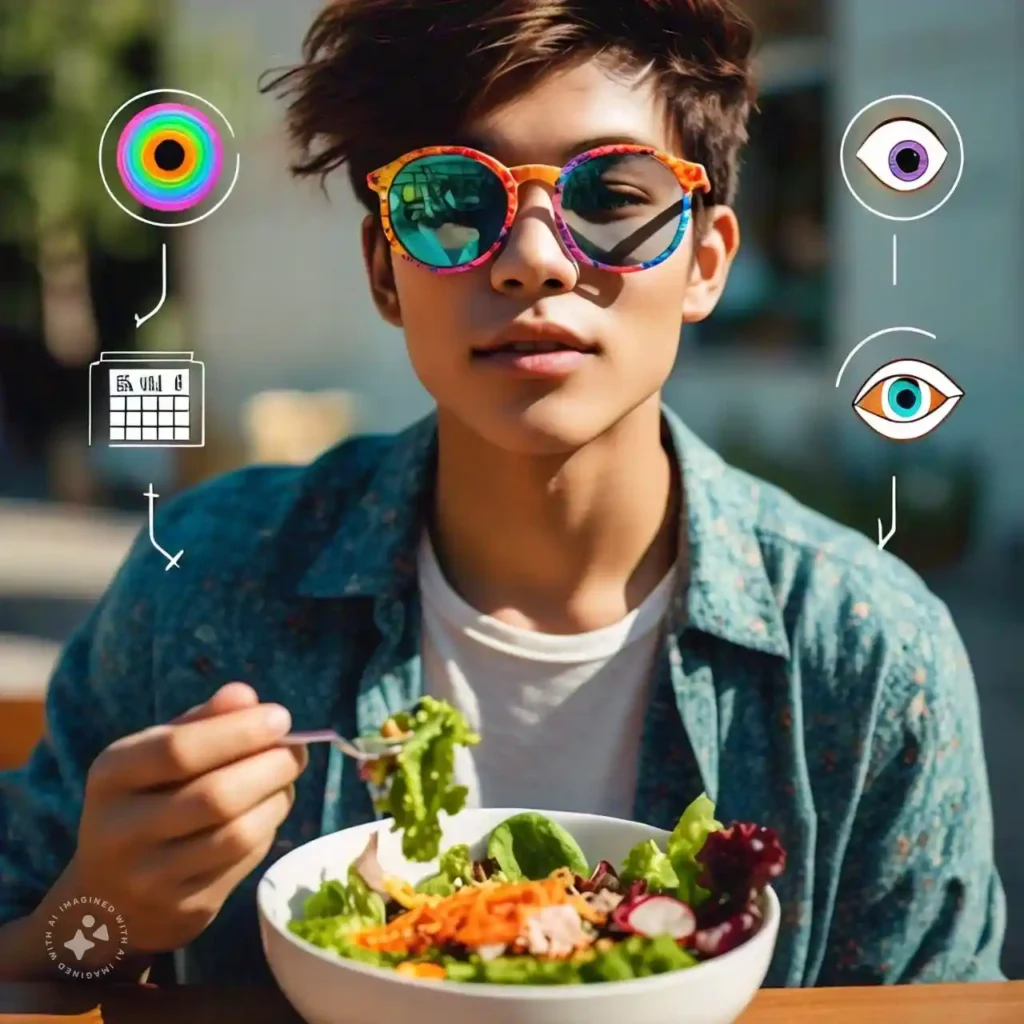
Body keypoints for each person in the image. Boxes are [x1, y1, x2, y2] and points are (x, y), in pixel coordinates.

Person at [0, 0, 1005, 989]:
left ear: (705, 263)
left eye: (611, 195)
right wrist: (95, 909)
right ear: (385, 272)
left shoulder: (867, 654)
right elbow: (29, 936)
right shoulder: (201, 582)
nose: (531, 258)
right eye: (450, 201)